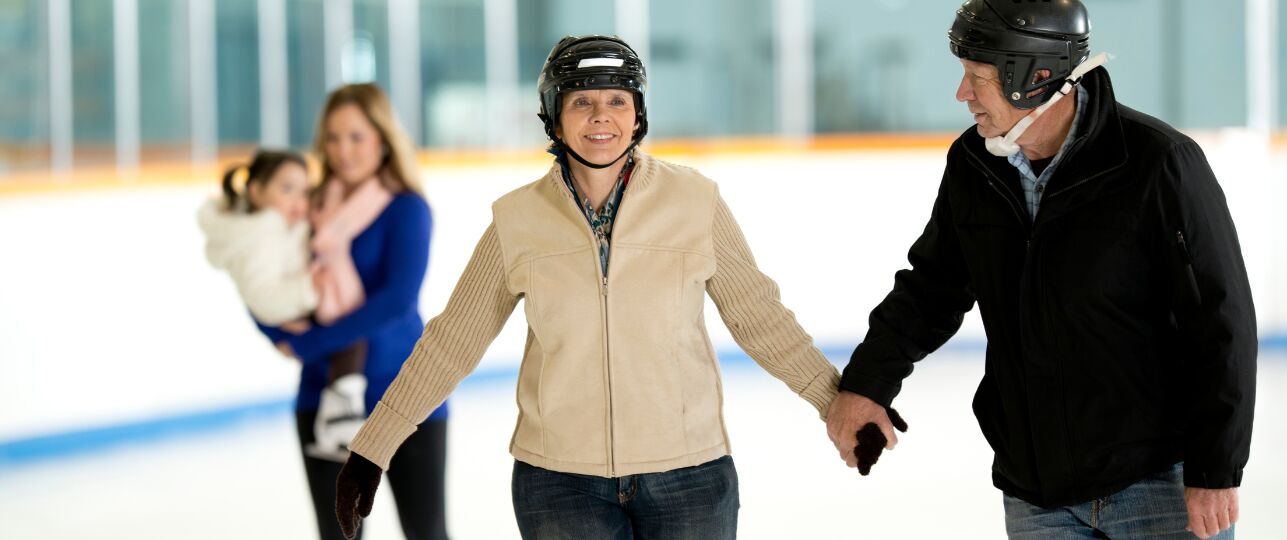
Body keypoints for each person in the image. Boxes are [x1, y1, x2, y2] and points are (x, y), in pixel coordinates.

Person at [334, 35, 840, 540]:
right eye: (582, 101)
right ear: (554, 118)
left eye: (618, 100)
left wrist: (834, 400)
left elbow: (760, 316)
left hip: (689, 475)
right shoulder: (517, 219)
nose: (601, 116)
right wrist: (372, 446)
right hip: (559, 485)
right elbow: (451, 343)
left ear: (638, 115)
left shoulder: (695, 202)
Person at [825, 1, 1256, 538]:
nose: (963, 95)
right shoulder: (976, 164)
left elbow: (1220, 323)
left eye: (976, 78)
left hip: (1156, 486)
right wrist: (867, 385)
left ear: (1036, 78)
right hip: (1036, 493)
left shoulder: (1157, 163)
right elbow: (931, 290)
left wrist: (1216, 470)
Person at [257, 83, 449, 540]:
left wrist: (311, 342)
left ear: (382, 139)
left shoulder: (407, 209)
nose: (343, 150)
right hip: (324, 395)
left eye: (356, 136)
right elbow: (259, 273)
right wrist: (274, 332)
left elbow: (397, 299)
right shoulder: (306, 208)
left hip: (406, 398)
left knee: (428, 533)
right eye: (333, 137)